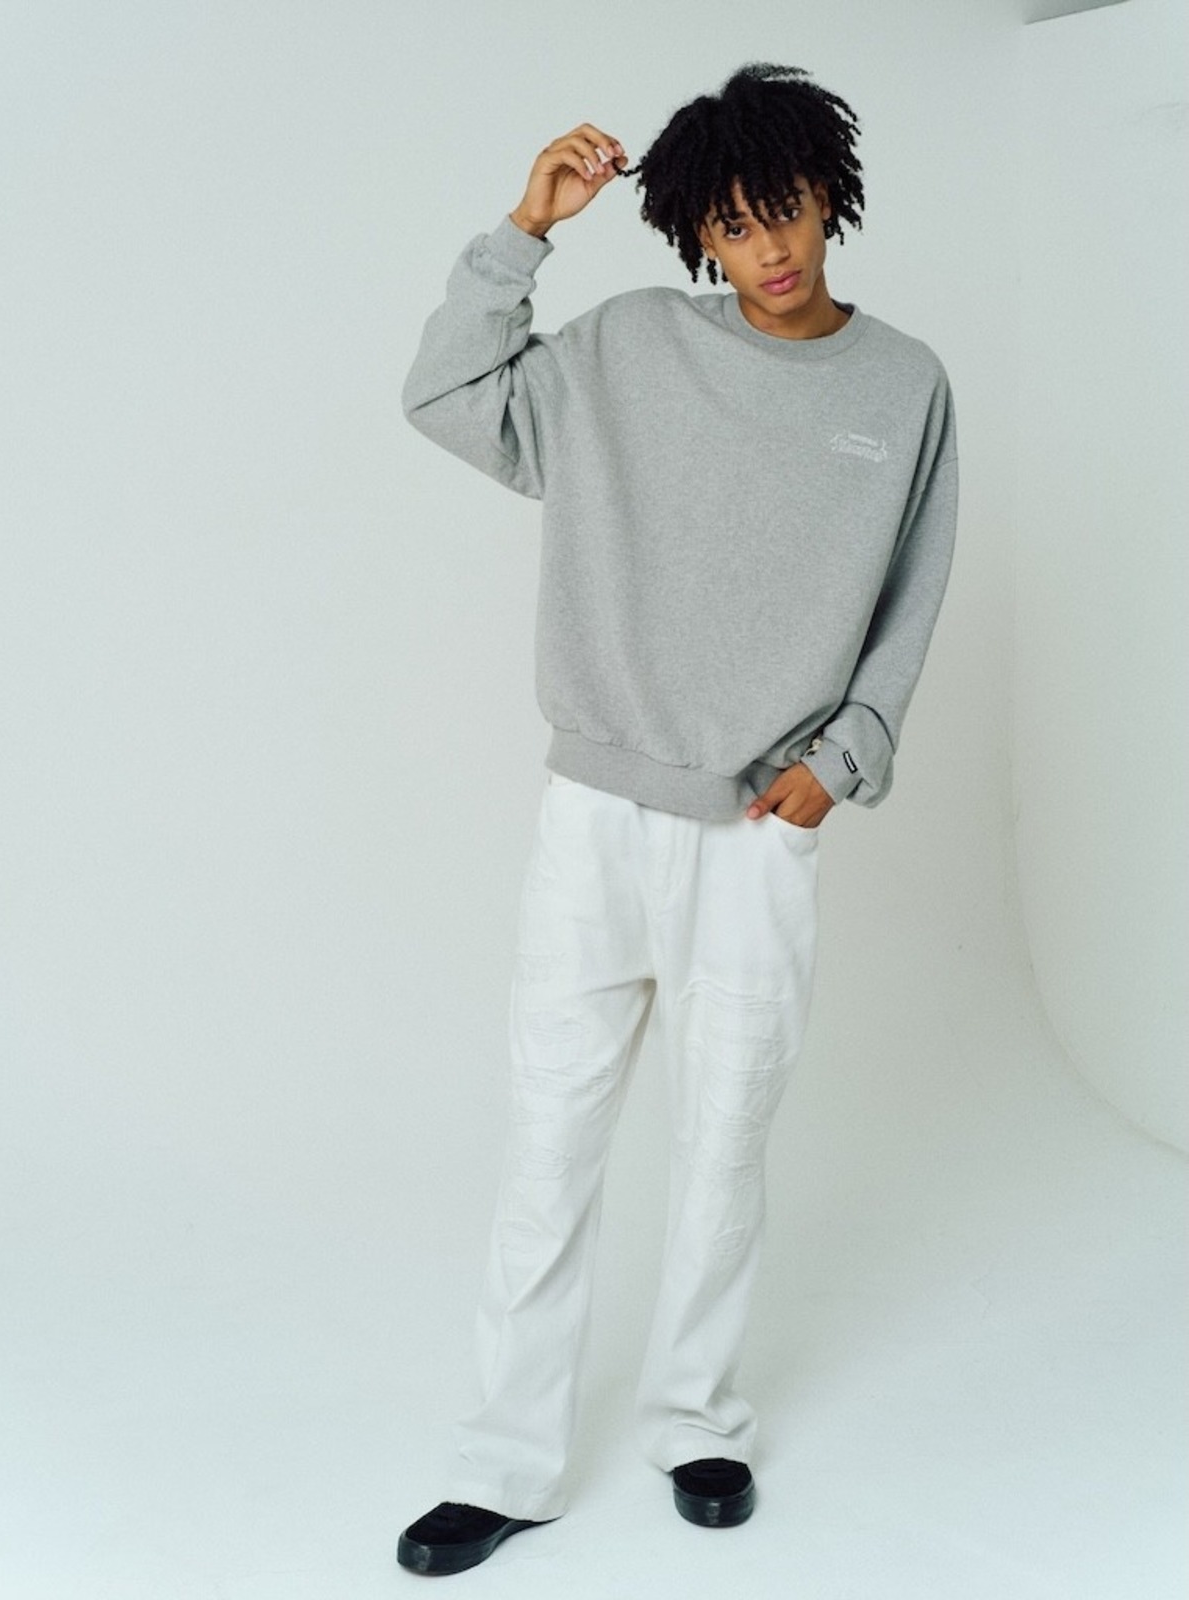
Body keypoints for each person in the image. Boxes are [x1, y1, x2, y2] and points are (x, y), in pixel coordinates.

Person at [395, 62, 958, 1576]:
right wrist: (525, 229)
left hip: (757, 832)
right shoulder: (630, 348)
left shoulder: (904, 385)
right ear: (698, 232)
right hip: (596, 814)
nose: (769, 247)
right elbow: (445, 399)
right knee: (551, 1143)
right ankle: (507, 1462)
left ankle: (698, 1421)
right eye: (735, 222)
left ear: (830, 200)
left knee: (725, 1143)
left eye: (789, 210)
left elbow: (914, 589)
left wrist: (844, 760)